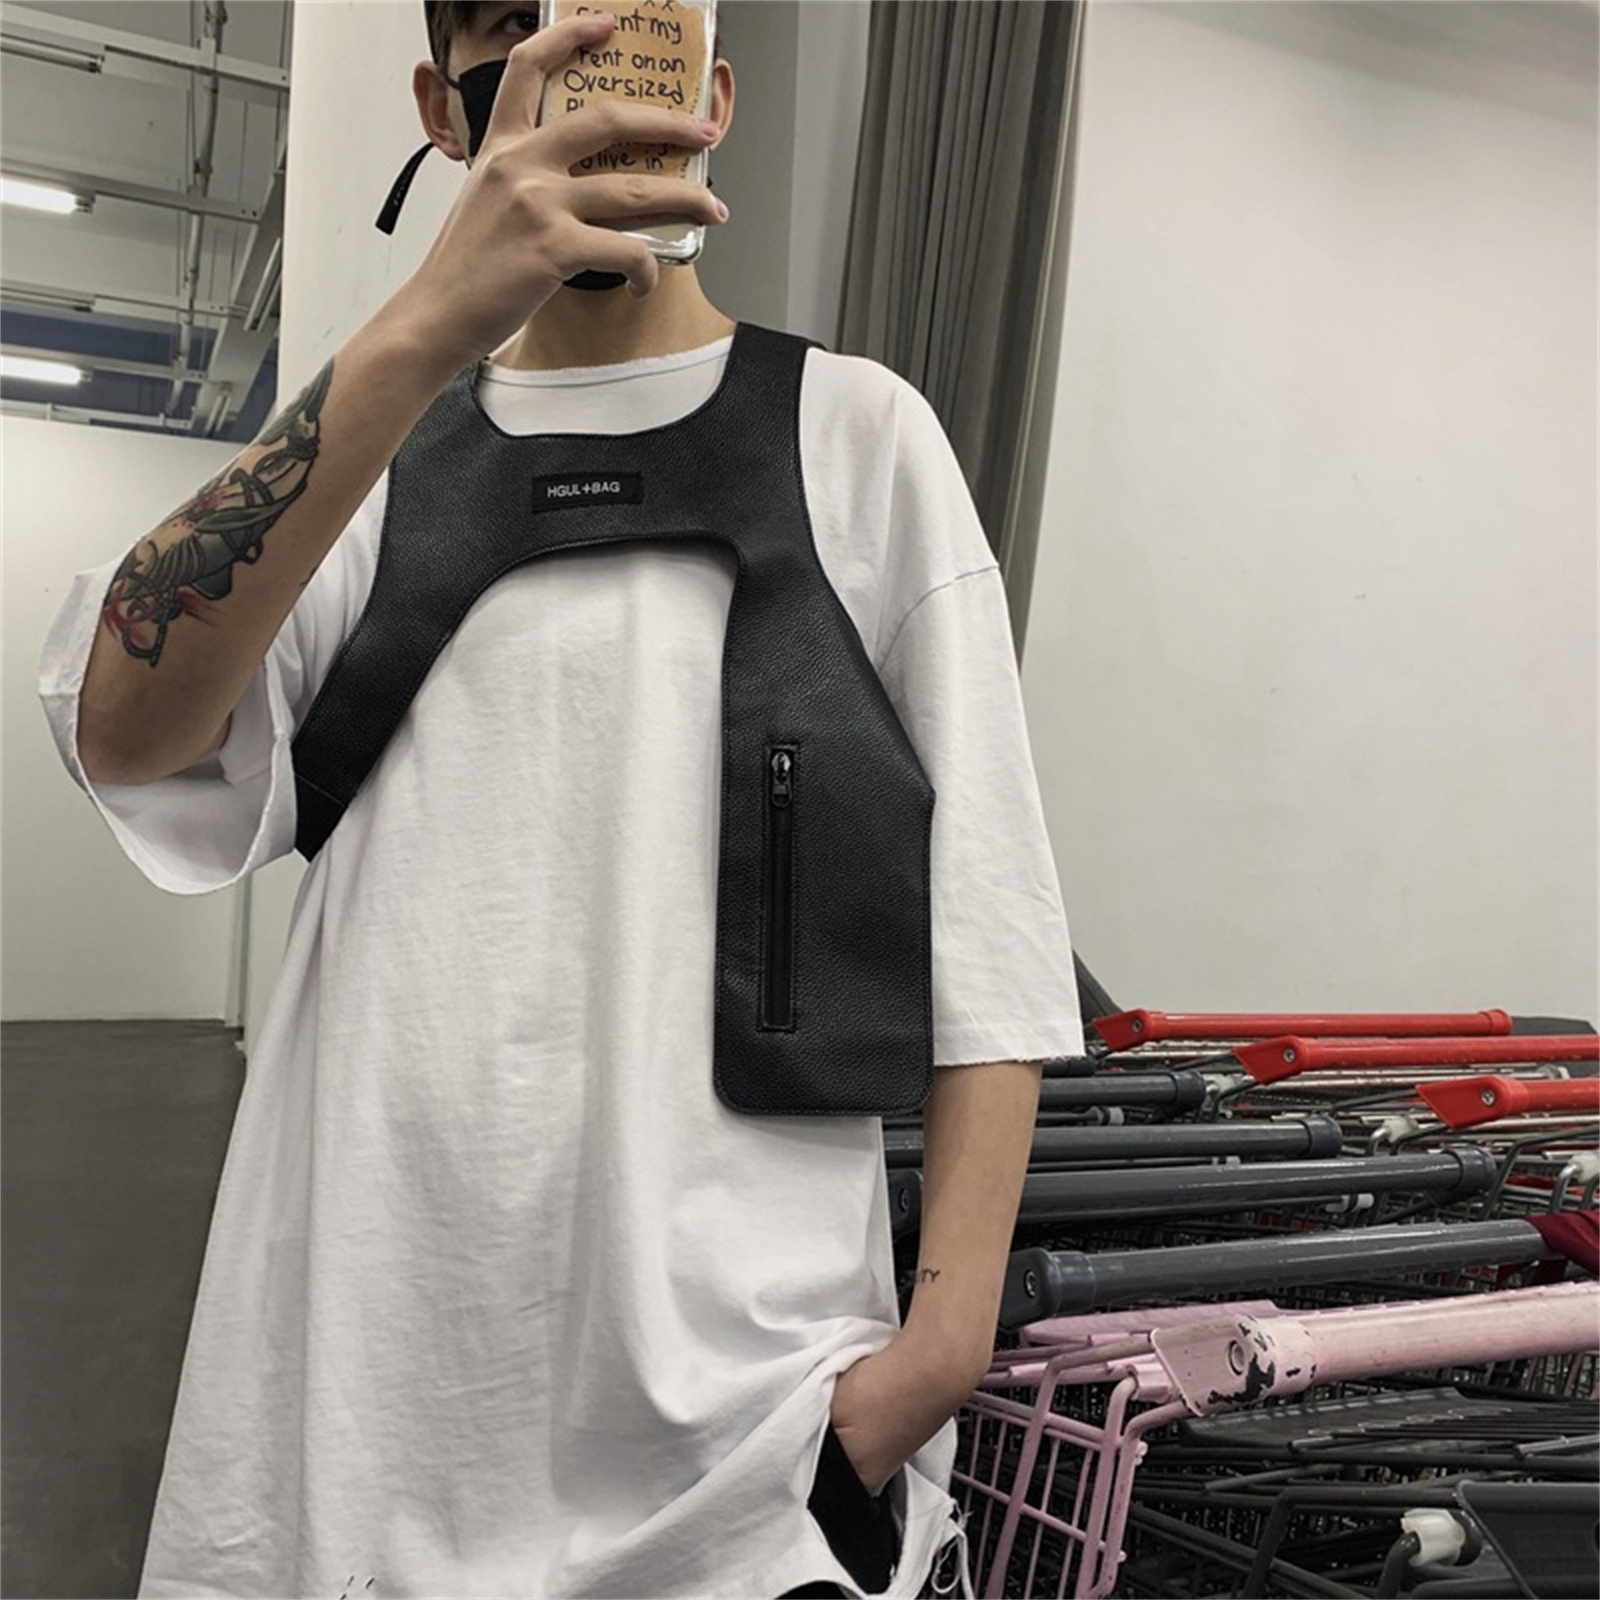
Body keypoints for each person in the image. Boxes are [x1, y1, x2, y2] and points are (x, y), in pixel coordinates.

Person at [38, 4, 1084, 1595]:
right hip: (359, 1396)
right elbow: (125, 733)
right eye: (517, 51)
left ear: (709, 97)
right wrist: (422, 325)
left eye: (620, 47)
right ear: (443, 106)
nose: (570, 94)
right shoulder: (373, 460)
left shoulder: (856, 437)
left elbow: (989, 928)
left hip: (747, 1429)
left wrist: (935, 1360)